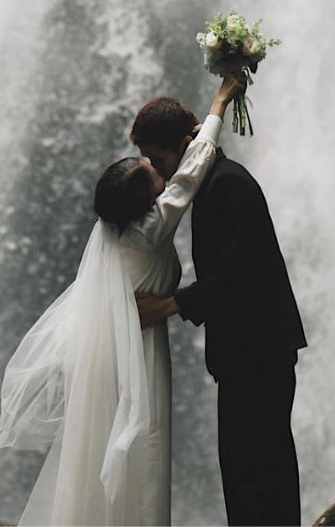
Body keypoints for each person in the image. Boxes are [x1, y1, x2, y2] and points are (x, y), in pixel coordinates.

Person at [0, 74, 246, 527]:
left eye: (154, 162)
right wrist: (221, 99)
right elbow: (192, 169)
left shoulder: (114, 234)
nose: (162, 173)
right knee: (141, 447)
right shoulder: (149, 231)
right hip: (135, 355)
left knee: (100, 451)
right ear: (147, 202)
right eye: (154, 173)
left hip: (110, 351)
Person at [133, 96, 307, 527]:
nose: (160, 173)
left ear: (186, 144)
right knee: (250, 470)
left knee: (258, 473)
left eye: (159, 159)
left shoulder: (228, 184)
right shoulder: (215, 184)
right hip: (249, 354)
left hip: (259, 352)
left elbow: (239, 272)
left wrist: (169, 306)